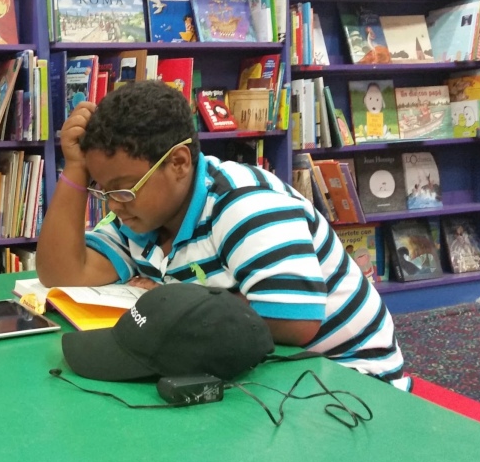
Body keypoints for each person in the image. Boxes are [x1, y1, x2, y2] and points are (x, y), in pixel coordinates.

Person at [37, 81, 410, 390]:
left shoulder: (244, 203)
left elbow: (293, 322)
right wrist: (75, 169)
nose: (113, 204)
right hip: (267, 367)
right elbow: (63, 273)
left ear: (179, 163)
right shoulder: (138, 215)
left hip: (350, 376)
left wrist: (172, 302)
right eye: (103, 191)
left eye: (123, 189)